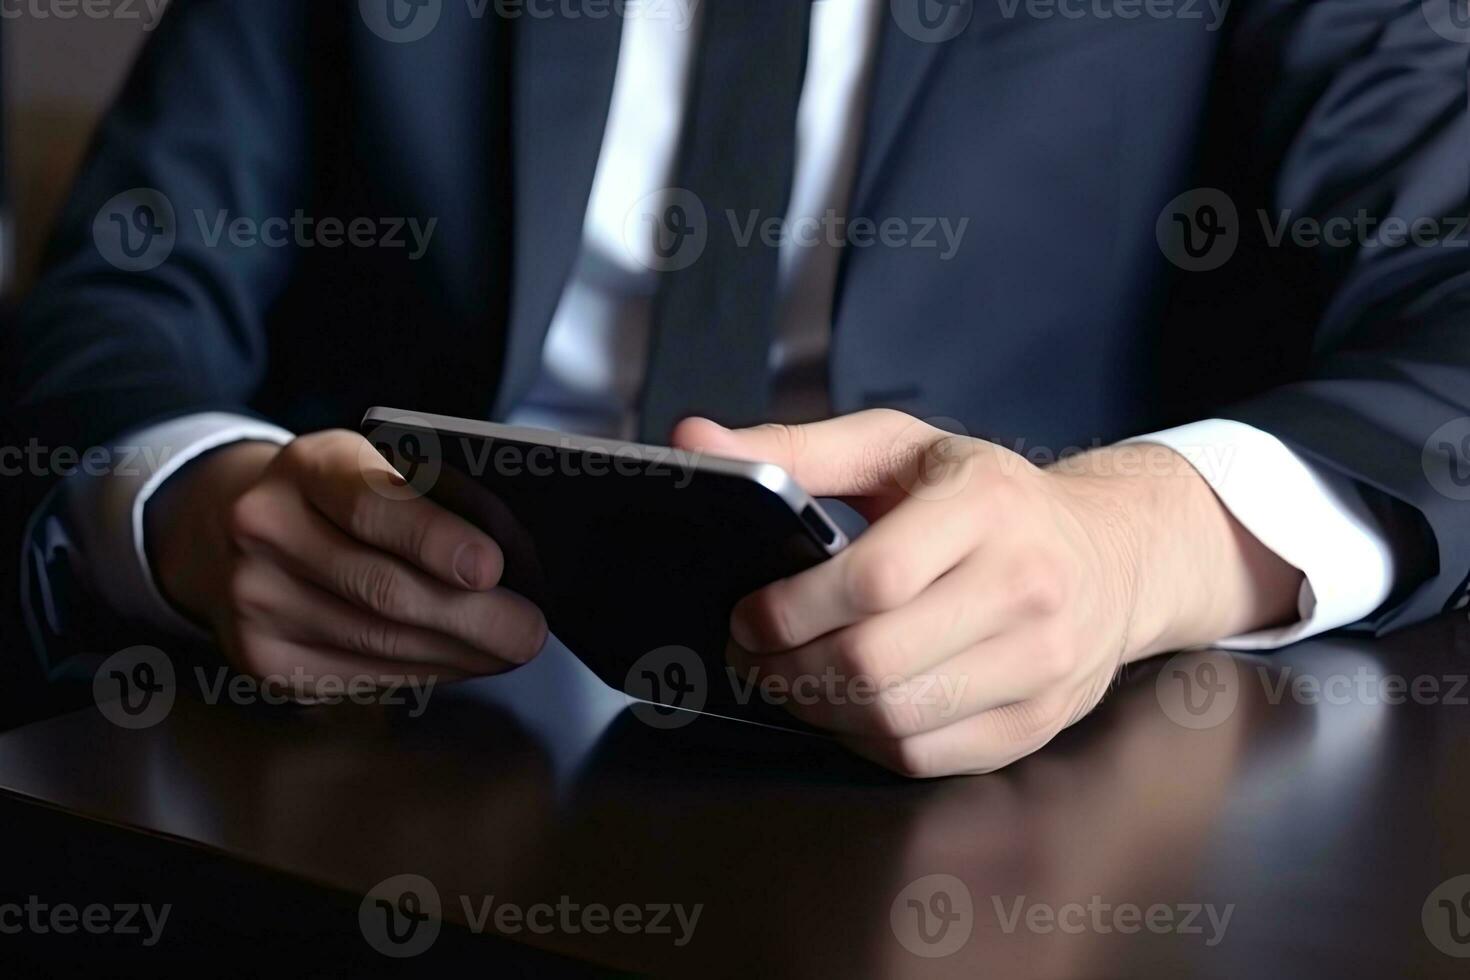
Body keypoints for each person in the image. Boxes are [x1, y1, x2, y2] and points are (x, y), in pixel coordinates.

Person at [1, 0, 1464, 775]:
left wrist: (1129, 549)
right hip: (390, 743)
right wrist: (189, 505)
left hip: (1023, 777)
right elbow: (123, 289)